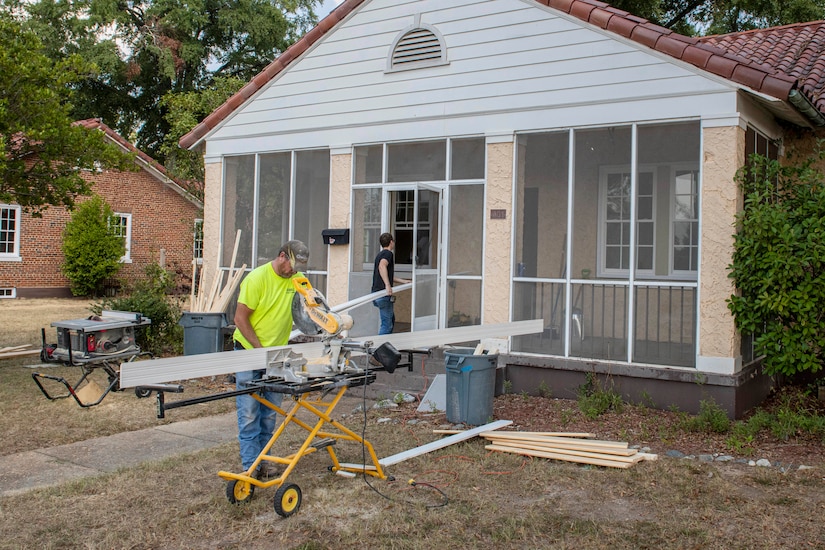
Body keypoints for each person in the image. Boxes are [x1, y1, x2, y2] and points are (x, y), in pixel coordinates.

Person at [232, 239, 309, 478]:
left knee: (270, 412)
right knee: (249, 412)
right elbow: (240, 319)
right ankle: (250, 467)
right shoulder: (257, 279)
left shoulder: (296, 280)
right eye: (292, 265)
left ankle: (264, 461)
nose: (294, 271)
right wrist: (259, 351)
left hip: (277, 354)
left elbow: (307, 311)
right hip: (249, 351)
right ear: (282, 256)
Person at [371, 232, 409, 335]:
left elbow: (386, 274)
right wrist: (388, 286)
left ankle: (386, 345)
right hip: (383, 294)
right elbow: (382, 267)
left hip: (376, 293)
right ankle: (380, 348)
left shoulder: (380, 255)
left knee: (391, 319)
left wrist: (403, 281)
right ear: (391, 242)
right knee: (387, 324)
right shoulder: (388, 254)